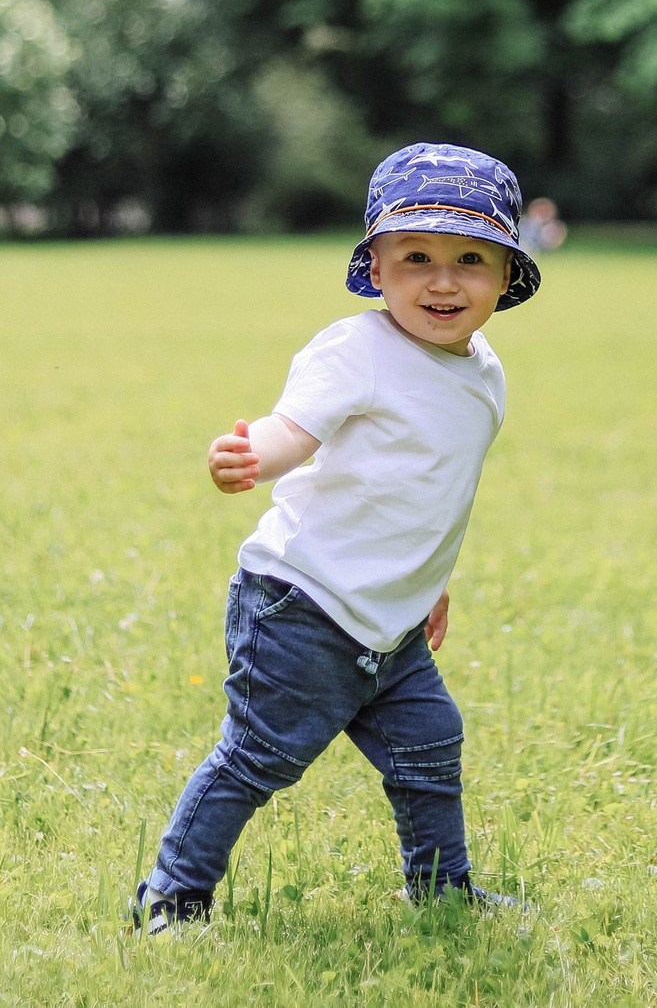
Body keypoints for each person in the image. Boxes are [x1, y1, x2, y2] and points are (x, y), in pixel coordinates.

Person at [132, 143, 542, 934]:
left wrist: (431, 580)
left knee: (431, 743)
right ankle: (172, 894)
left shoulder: (484, 373)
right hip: (303, 606)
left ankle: (441, 888)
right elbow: (297, 429)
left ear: (505, 276)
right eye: (416, 255)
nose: (444, 279)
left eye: (471, 258)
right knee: (260, 757)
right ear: (377, 267)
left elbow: (433, 492)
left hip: (391, 622)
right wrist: (255, 458)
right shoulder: (358, 350)